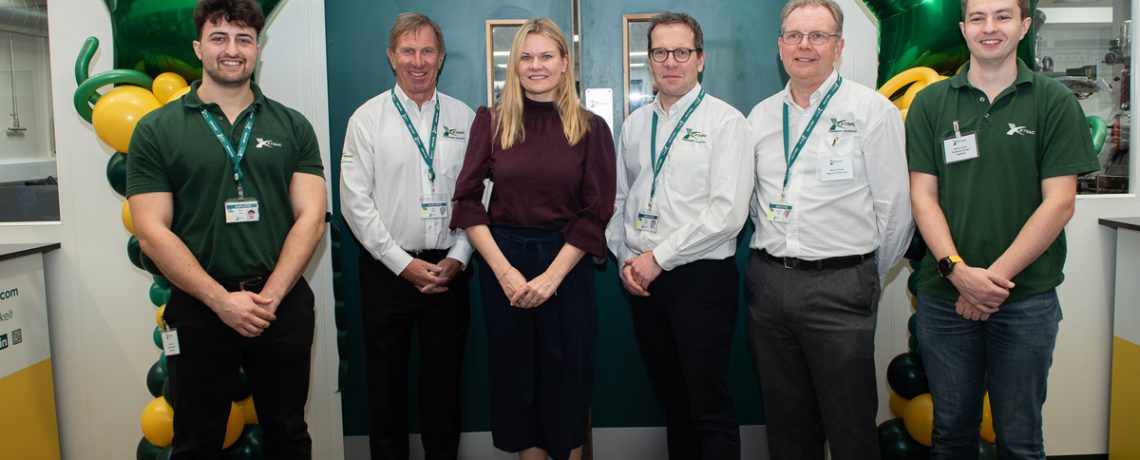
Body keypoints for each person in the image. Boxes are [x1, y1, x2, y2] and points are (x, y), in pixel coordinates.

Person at [126, 0, 327, 458]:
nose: (232, 50)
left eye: (244, 39)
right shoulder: (156, 130)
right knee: (196, 440)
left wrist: (271, 297)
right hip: (199, 308)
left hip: (280, 304)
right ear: (198, 47)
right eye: (219, 38)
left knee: (289, 433)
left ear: (258, 47)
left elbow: (311, 218)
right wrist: (220, 301)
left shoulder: (293, 126)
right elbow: (151, 230)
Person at [906, 0, 1099, 455]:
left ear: (1024, 25)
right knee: (950, 433)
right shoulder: (931, 103)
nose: (989, 27)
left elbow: (1060, 203)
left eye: (1003, 16)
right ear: (963, 28)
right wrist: (958, 272)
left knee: (1020, 437)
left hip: (1025, 299)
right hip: (945, 298)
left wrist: (990, 283)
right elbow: (921, 196)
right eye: (978, 17)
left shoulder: (1054, 101)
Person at [744, 0, 913, 457]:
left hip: (842, 286)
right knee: (786, 424)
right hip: (769, 283)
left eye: (818, 36)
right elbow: (759, 206)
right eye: (795, 36)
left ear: (838, 47)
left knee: (850, 424)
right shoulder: (759, 118)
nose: (805, 46)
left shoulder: (871, 111)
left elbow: (896, 210)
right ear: (780, 46)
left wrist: (860, 272)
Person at [450, 18, 615, 460]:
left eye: (546, 56)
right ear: (514, 65)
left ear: (565, 63)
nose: (536, 65)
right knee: (518, 387)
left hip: (567, 266)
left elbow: (596, 212)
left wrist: (551, 278)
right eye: (526, 56)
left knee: (566, 385)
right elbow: (467, 202)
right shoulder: (492, 121)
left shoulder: (591, 128)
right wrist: (504, 273)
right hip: (504, 268)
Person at [604, 12, 752, 460]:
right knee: (674, 403)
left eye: (682, 52)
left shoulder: (727, 123)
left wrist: (658, 258)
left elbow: (728, 214)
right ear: (649, 60)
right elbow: (619, 203)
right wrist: (626, 260)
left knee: (709, 407)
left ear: (701, 60)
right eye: (660, 52)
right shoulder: (633, 126)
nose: (671, 62)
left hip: (700, 281)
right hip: (643, 282)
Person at [339, 13, 474, 460]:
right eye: (408, 51)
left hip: (449, 270)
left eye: (427, 51)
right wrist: (402, 264)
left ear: (441, 57)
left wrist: (460, 254)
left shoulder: (465, 118)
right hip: (387, 272)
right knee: (385, 389)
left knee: (444, 388)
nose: (418, 61)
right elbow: (355, 204)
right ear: (391, 57)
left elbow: (482, 194)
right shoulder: (367, 119)